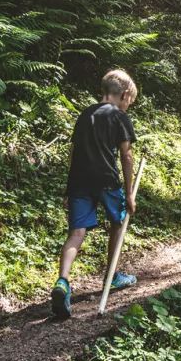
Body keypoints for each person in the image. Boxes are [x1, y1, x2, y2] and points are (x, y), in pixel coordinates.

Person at [51, 70, 139, 321]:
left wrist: (69, 189)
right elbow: (126, 156)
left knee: (76, 233)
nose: (128, 106)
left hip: (79, 180)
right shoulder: (120, 117)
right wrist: (130, 193)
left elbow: (73, 153)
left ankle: (62, 282)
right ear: (124, 95)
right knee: (118, 222)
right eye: (129, 101)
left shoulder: (84, 114)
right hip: (106, 180)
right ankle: (112, 276)